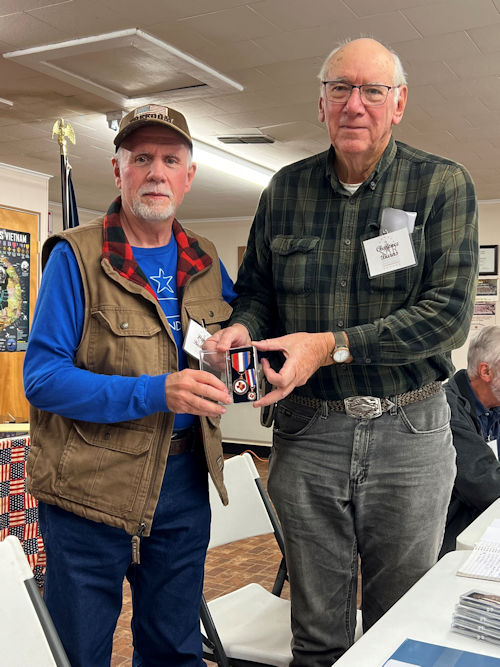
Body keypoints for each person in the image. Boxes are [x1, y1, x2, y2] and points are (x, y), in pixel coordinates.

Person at [212, 38, 479, 665]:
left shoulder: (441, 184)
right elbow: (256, 294)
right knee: (317, 635)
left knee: (400, 625)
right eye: (340, 89)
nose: (354, 104)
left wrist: (328, 347)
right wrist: (241, 328)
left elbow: (448, 318)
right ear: (322, 102)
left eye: (372, 90)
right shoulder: (284, 189)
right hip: (309, 432)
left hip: (410, 432)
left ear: (399, 103)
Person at [23, 104, 236, 667]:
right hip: (89, 488)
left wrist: (242, 363)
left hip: (185, 484)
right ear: (118, 171)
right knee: (80, 650)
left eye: (171, 159)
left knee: (174, 649)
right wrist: (155, 392)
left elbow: (232, 339)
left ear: (188, 177)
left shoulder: (207, 260)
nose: (156, 172)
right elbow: (42, 380)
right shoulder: (77, 256)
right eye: (141, 158)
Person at [440, 325, 500, 556]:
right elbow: (487, 486)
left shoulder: (494, 405)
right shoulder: (446, 410)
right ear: (486, 372)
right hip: (453, 544)